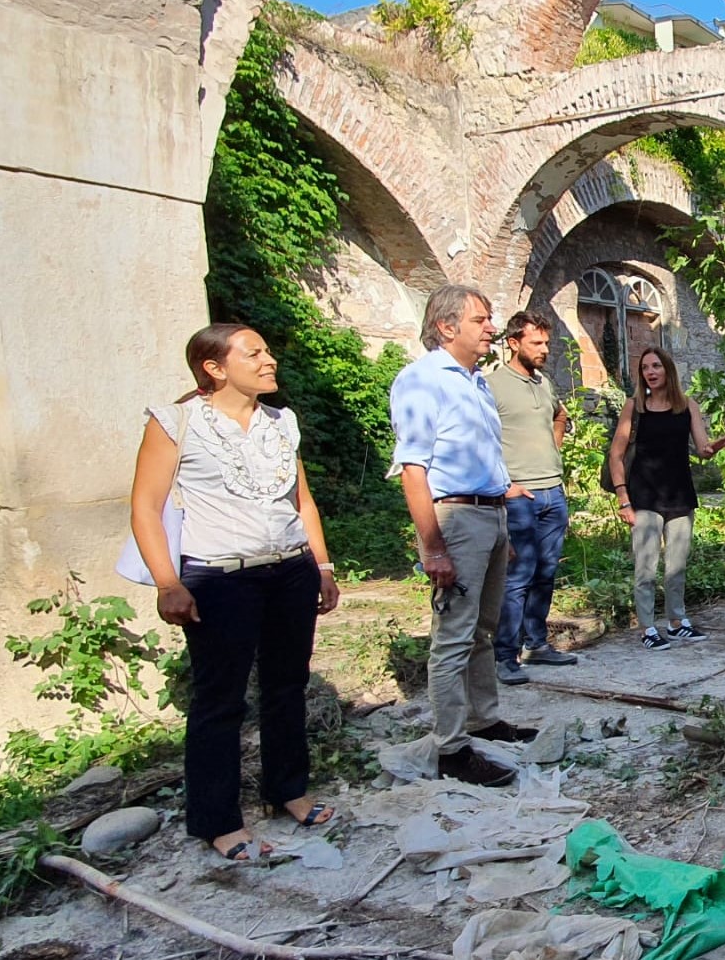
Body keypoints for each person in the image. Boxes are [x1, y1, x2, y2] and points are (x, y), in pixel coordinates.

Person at [131, 324, 343, 862]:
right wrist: (167, 582)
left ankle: (287, 791)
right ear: (215, 368)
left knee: (286, 685)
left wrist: (321, 565)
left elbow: (303, 501)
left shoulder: (281, 422)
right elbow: (145, 507)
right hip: (220, 577)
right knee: (219, 701)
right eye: (255, 353)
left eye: (268, 350)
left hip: (289, 570)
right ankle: (218, 820)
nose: (269, 360)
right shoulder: (176, 423)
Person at [390, 284, 535, 788]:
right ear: (447, 326)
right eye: (481, 319)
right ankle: (451, 747)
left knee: (483, 628)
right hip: (456, 518)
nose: (492, 327)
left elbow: (483, 458)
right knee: (452, 636)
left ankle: (484, 719)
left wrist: (502, 527)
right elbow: (414, 470)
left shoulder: (474, 382)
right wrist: (432, 546)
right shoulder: (422, 380)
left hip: (490, 516)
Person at [608, 347, 725, 650]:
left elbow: (701, 448)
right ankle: (647, 627)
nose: (650, 372)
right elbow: (616, 455)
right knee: (645, 567)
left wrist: (712, 449)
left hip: (679, 495)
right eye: (645, 368)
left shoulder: (687, 406)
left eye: (656, 366)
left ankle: (677, 622)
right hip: (644, 497)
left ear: (668, 371)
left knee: (677, 566)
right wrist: (624, 499)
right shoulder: (634, 407)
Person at [484, 311, 578, 685]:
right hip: (518, 494)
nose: (544, 349)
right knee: (517, 577)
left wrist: (553, 454)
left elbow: (560, 416)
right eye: (536, 343)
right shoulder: (491, 386)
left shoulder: (543, 383)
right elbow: (480, 438)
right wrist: (503, 485)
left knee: (546, 571)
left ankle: (535, 644)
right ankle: (504, 655)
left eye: (546, 342)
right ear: (513, 342)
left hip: (552, 492)